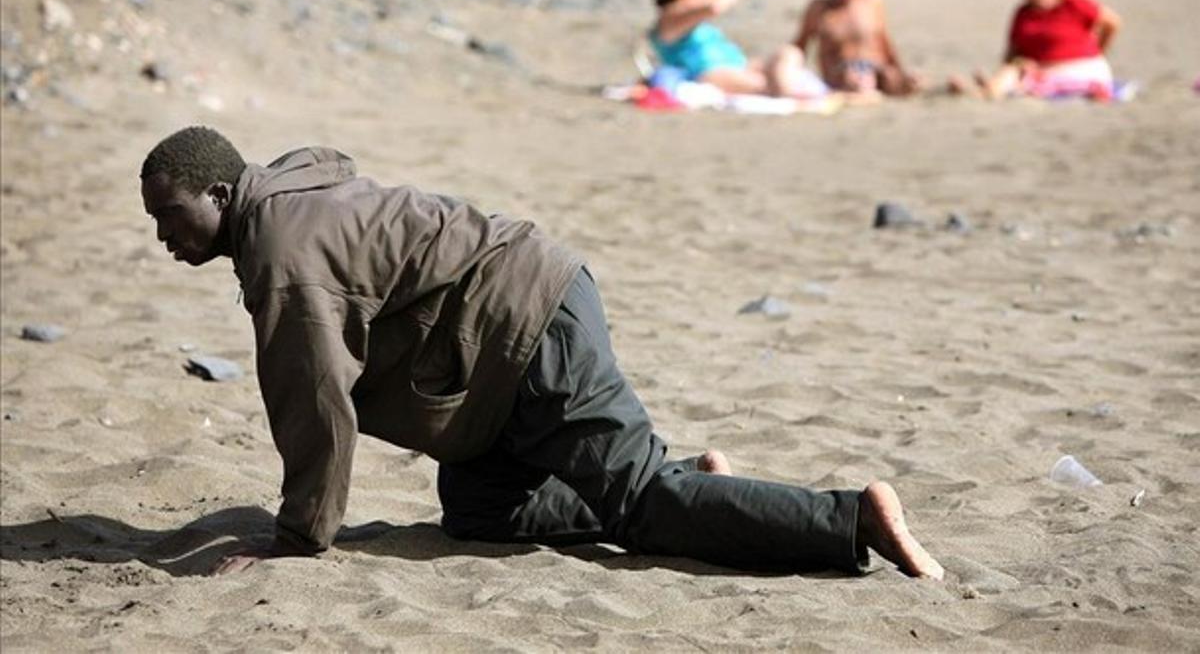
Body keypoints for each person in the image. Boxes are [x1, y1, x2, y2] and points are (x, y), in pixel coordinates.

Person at [140, 126, 944, 581]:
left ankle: (852, 517)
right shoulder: (282, 190)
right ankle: (697, 486)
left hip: (525, 326)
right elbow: (337, 167)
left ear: (219, 194)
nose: (164, 238)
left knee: (639, 506)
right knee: (482, 510)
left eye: (171, 215)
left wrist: (296, 539)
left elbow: (316, 406)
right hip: (493, 355)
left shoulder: (282, 255)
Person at [958, 0, 1122, 100]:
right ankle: (991, 86)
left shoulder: (1073, 2)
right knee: (1015, 70)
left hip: (1081, 69)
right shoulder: (1023, 12)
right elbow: (1013, 51)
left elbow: (1112, 22)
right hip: (1047, 72)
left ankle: (985, 91)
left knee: (1013, 73)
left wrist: (1099, 51)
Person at [650, 0, 829, 98]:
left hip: (737, 64)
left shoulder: (689, 15)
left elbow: (714, 2)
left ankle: (789, 90)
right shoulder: (670, 16)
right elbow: (716, 6)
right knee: (763, 85)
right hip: (709, 73)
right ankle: (790, 94)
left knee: (789, 53)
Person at [794, 0, 921, 98]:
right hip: (841, 72)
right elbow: (800, 45)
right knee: (853, 80)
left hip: (874, 67)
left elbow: (883, 40)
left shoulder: (871, 1)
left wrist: (898, 71)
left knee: (909, 82)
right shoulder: (819, 8)